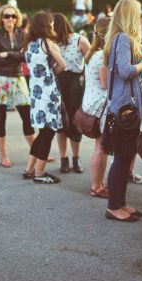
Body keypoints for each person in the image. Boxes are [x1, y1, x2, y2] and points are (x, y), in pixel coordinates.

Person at [103, 0, 142, 222]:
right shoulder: (124, 38)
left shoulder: (119, 38)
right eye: (138, 13)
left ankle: (120, 203)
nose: (141, 16)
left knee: (125, 158)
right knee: (121, 158)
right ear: (129, 15)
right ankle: (113, 206)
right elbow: (126, 71)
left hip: (123, 105)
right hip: (125, 108)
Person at [0, 4, 35, 167]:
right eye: (7, 16)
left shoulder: (23, 34)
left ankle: (36, 151)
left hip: (17, 77)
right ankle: (3, 155)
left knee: (26, 115)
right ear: (1, 18)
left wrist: (8, 54)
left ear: (17, 19)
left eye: (13, 16)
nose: (10, 19)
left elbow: (26, 56)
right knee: (1, 117)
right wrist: (17, 56)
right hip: (0, 79)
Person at [23, 12, 66, 184]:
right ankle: (40, 174)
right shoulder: (47, 43)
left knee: (42, 132)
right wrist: (50, 75)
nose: (53, 26)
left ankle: (29, 169)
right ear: (46, 25)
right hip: (48, 94)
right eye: (52, 23)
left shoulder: (29, 44)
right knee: (48, 133)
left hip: (35, 92)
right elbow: (62, 65)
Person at [53, 13, 90, 174]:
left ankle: (75, 158)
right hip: (58, 81)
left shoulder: (79, 40)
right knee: (60, 122)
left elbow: (91, 60)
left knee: (75, 121)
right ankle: (63, 159)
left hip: (75, 82)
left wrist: (84, 76)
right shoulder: (51, 42)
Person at [81, 17, 109, 197]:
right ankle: (96, 186)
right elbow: (106, 84)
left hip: (91, 102)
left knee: (101, 147)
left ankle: (99, 182)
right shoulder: (102, 56)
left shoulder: (92, 52)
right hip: (100, 104)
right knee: (101, 147)